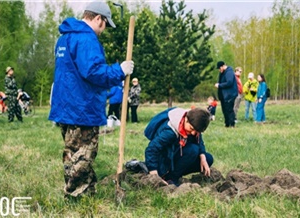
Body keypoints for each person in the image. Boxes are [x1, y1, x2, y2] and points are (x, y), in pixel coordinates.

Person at [48, 1, 134, 198]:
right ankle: (76, 195)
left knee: (72, 151)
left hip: (65, 106)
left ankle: (86, 188)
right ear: (98, 19)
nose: (103, 30)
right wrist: (119, 70)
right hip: (82, 107)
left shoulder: (65, 38)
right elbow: (93, 72)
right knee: (84, 153)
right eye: (105, 24)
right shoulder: (86, 39)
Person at [144, 107, 213, 186]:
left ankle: (175, 174)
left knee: (208, 159)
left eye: (197, 131)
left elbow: (198, 140)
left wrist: (202, 156)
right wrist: (154, 174)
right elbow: (152, 149)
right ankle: (170, 178)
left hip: (176, 153)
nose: (193, 133)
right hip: (163, 160)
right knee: (193, 150)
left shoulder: (192, 122)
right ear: (186, 120)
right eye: (191, 129)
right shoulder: (170, 132)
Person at [214, 61, 238, 128]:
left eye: (219, 68)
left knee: (229, 109)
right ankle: (227, 123)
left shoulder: (229, 72)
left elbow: (229, 82)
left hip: (230, 94)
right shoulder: (223, 73)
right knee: (224, 110)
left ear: (222, 66)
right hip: (224, 95)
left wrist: (220, 85)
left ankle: (232, 124)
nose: (219, 70)